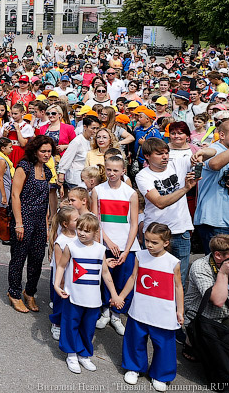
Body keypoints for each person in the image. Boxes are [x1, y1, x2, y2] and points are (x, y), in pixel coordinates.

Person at [112, 223, 183, 391]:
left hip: (163, 312)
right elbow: (133, 278)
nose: (149, 245)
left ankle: (161, 375)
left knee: (164, 345)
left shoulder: (173, 262)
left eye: (154, 242)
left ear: (166, 242)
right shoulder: (140, 256)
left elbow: (178, 286)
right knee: (135, 339)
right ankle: (134, 367)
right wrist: (120, 296)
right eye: (147, 240)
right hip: (140, 309)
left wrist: (180, 310)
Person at [53, 213, 120, 374]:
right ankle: (71, 354)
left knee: (88, 328)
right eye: (80, 229)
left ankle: (84, 354)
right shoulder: (71, 247)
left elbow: (105, 273)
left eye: (87, 231)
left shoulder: (100, 249)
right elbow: (61, 265)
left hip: (93, 299)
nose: (82, 233)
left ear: (96, 232)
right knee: (71, 325)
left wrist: (114, 294)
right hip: (73, 296)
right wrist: (56, 284)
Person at [135, 138, 196, 287]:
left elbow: (210, 152)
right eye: (159, 154)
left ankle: (178, 304)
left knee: (179, 281)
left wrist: (199, 155)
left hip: (180, 231)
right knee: (153, 279)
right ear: (147, 156)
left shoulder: (177, 163)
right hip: (155, 234)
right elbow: (159, 202)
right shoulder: (142, 176)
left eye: (166, 153)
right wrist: (185, 188)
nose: (165, 157)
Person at [8, 135, 56, 313]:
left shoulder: (47, 171)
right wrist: (19, 223)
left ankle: (29, 292)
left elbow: (46, 200)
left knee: (37, 258)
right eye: (43, 151)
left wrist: (47, 225)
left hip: (40, 220)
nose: (47, 154)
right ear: (35, 151)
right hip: (24, 217)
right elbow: (15, 195)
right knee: (19, 258)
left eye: (49, 151)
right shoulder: (24, 167)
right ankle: (14, 293)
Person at [92, 155, 140, 335]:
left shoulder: (131, 193)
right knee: (106, 279)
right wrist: (108, 241)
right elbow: (96, 221)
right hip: (105, 244)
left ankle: (116, 314)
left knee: (123, 279)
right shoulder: (97, 190)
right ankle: (105, 310)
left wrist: (127, 250)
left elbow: (134, 224)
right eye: (109, 170)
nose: (111, 173)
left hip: (127, 245)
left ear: (123, 171)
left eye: (115, 170)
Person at [184, 234, 229, 363]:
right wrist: (223, 274)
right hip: (204, 318)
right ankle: (191, 341)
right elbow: (218, 301)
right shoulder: (200, 267)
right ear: (218, 255)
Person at [192, 118, 229, 251]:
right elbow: (214, 164)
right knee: (218, 261)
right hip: (214, 220)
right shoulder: (214, 148)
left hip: (224, 219)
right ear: (222, 135)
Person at [49, 205, 80, 341]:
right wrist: (60, 281)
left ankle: (69, 323)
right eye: (76, 220)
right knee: (60, 303)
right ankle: (56, 323)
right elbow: (58, 263)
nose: (79, 221)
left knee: (71, 303)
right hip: (62, 280)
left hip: (75, 277)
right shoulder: (60, 241)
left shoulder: (79, 236)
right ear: (65, 224)